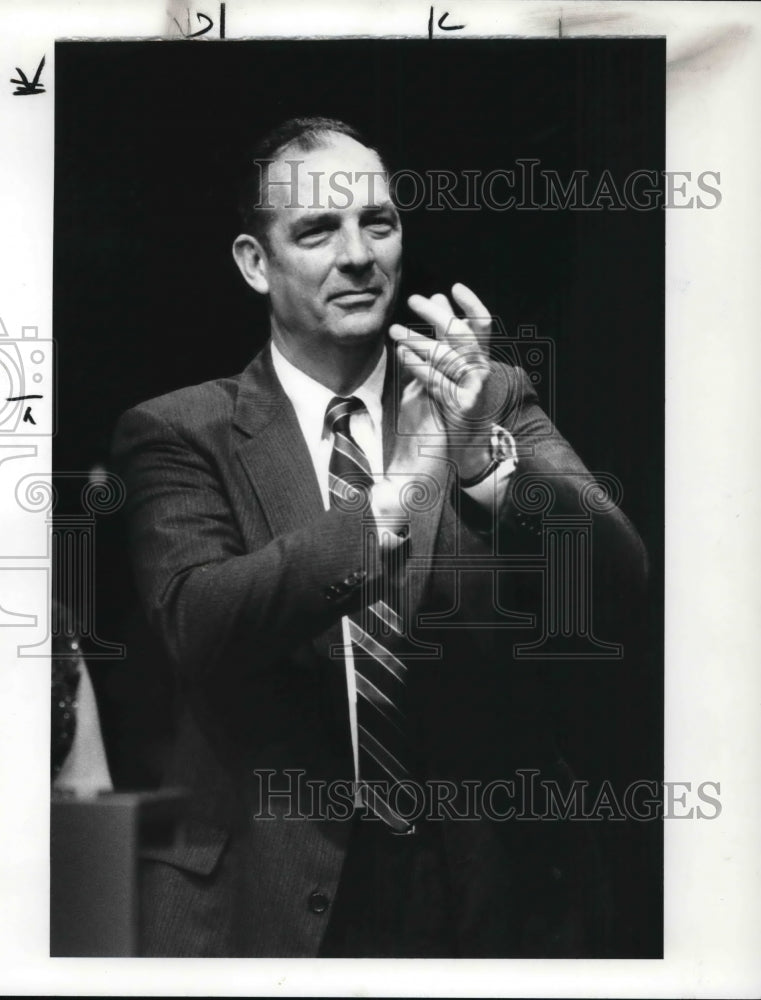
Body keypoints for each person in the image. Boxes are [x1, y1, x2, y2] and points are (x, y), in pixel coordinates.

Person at [111, 117, 648, 957]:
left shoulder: (486, 391)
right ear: (257, 263)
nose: (358, 255)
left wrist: (480, 465)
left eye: (379, 222)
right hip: (272, 887)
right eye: (318, 230)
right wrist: (392, 498)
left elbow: (615, 581)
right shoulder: (182, 430)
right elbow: (201, 622)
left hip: (489, 883)